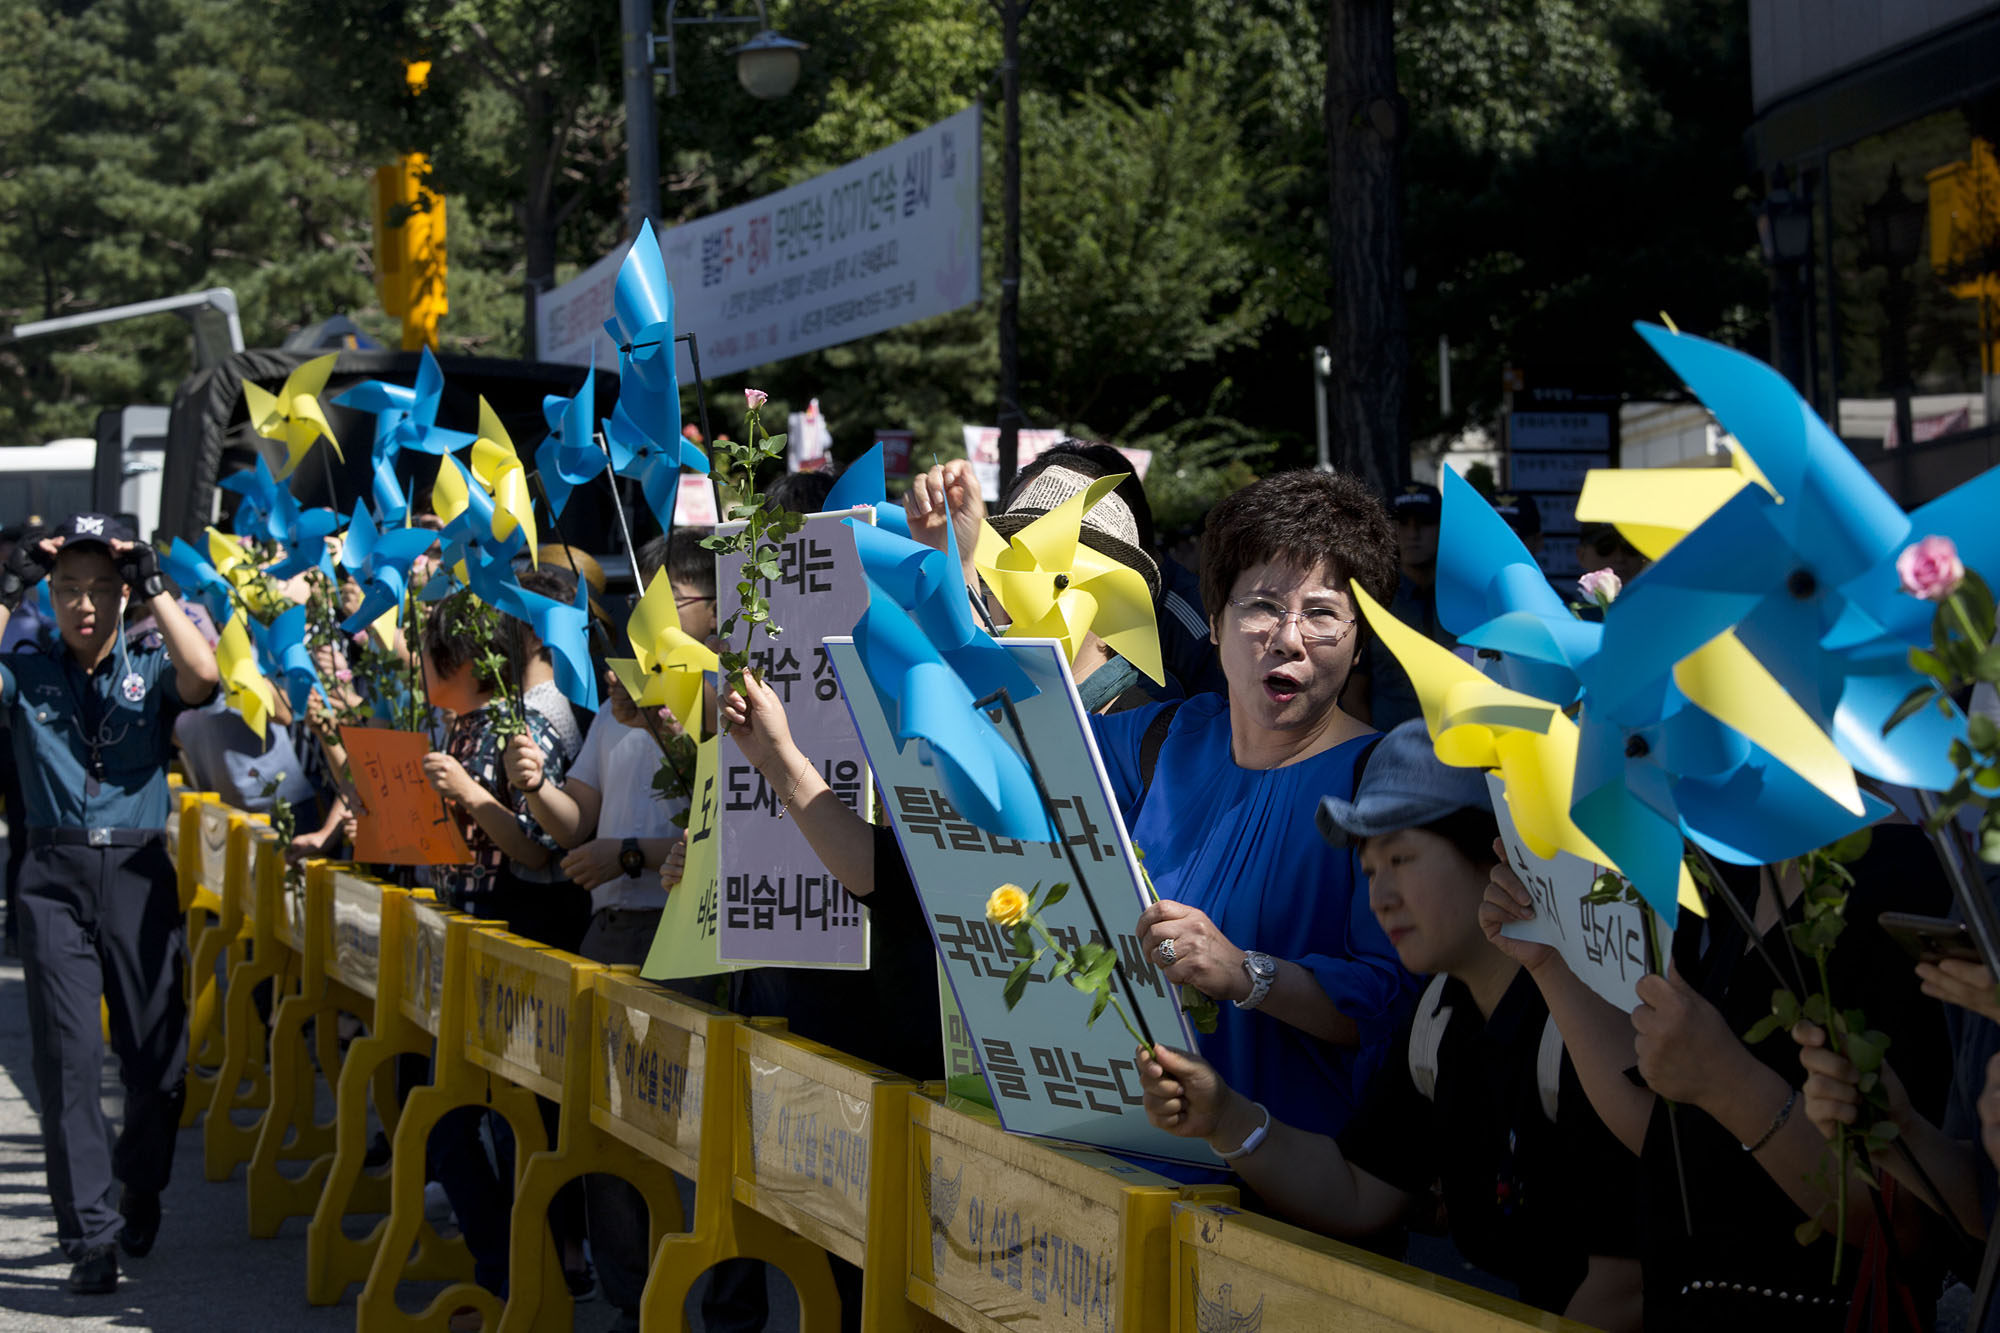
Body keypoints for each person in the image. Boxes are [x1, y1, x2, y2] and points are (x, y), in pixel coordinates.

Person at [1136, 721, 1641, 1326]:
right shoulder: (1438, 1020)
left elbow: (1628, 1285)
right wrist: (1224, 1118)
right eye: (1370, 871)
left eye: (1401, 859)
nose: (1380, 897)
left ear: (1497, 853)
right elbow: (1358, 1191)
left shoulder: (1585, 1028)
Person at [1481, 825, 1955, 1329]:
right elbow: (1676, 1141)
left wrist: (1731, 1085)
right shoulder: (1760, 878)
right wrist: (1550, 960)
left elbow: (1908, 1220)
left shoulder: (1902, 875)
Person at [0, 513, 219, 1294]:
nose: (85, 604)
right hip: (51, 874)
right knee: (67, 1062)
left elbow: (203, 678)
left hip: (135, 874)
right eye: (69, 589)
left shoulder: (150, 661)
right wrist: (12, 585)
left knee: (158, 1067)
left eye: (101, 588)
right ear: (51, 597)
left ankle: (141, 1184)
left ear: (123, 594)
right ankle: (90, 1235)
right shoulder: (24, 669)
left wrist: (155, 585)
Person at [503, 535, 694, 1333]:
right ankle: (630, 1297)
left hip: (673, 932)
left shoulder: (702, 700)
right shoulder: (614, 703)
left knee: (679, 1139)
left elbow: (705, 819)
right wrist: (537, 787)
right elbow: (577, 817)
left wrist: (625, 850)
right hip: (607, 930)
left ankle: (687, 1299)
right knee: (608, 1134)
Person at [1350, 482, 1452, 730]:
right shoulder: (1370, 600)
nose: (1413, 533)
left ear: (1443, 528)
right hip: (1387, 753)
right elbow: (1353, 694)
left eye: (1425, 522)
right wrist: (1374, 754)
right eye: (1401, 522)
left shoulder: (1469, 601)